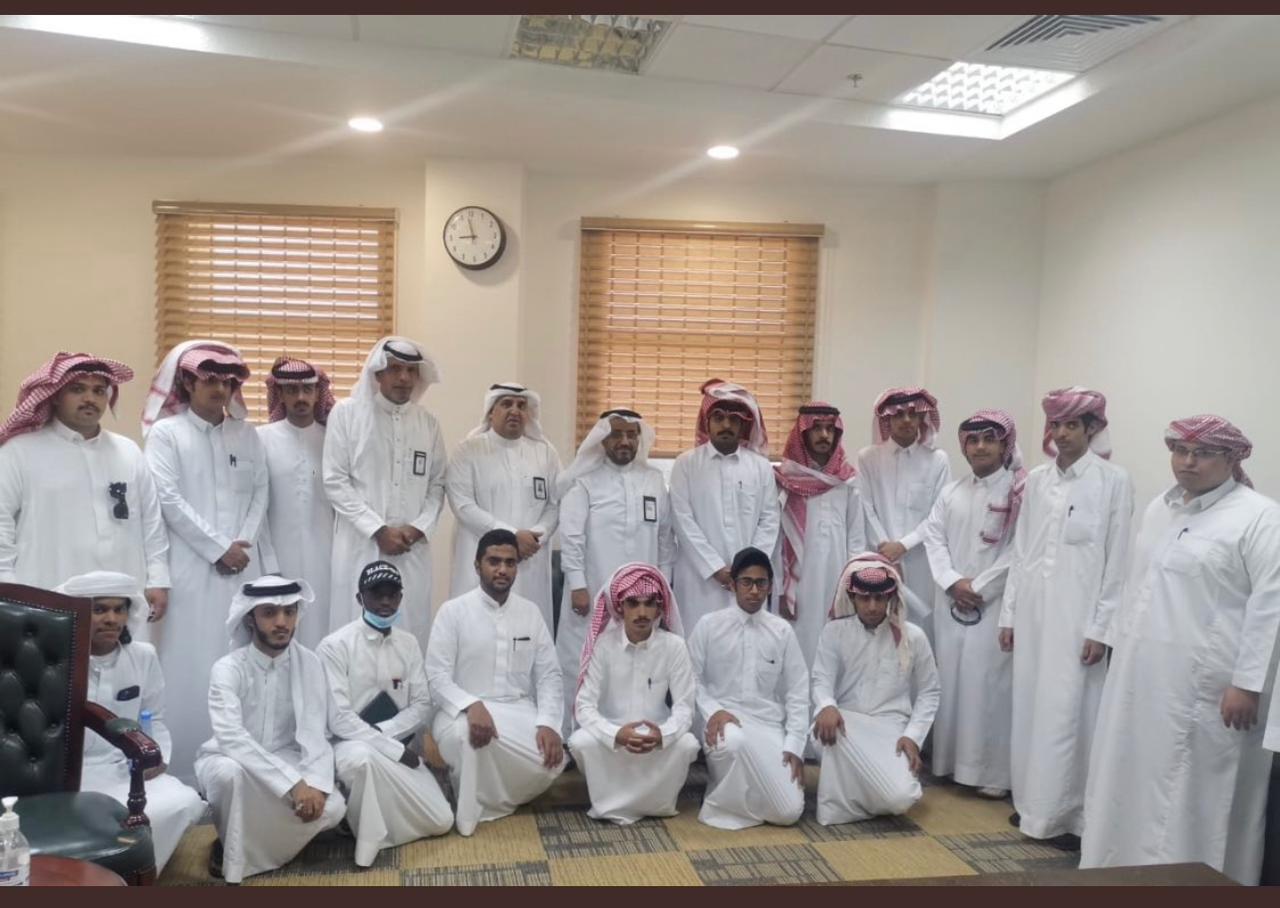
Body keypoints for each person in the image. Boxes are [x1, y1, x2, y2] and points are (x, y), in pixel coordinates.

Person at [1081, 416, 1280, 885]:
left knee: (1196, 799)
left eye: (1203, 453)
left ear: (1231, 459)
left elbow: (1270, 604)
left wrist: (1247, 683)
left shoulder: (1260, 517)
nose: (1188, 462)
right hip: (1143, 680)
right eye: (1180, 451)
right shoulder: (1160, 508)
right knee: (1128, 782)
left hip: (1210, 691)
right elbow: (1136, 587)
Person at [997, 386, 1133, 846]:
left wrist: (1102, 628)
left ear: (1091, 429)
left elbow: (1117, 561)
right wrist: (1009, 615)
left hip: (1079, 620)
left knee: (1069, 712)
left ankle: (1068, 816)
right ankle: (1031, 804)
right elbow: (1022, 551)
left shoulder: (1113, 481)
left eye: (1071, 425)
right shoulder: (1036, 480)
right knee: (1030, 706)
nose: (1061, 434)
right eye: (1055, 425)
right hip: (1034, 613)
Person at [143, 340, 270, 782]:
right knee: (191, 665)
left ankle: (244, 773)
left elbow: (260, 492)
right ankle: (184, 775)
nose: (219, 388)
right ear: (188, 382)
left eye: (227, 381)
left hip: (244, 567)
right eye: (210, 379)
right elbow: (167, 498)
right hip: (191, 570)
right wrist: (218, 548)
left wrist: (242, 543)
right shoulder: (166, 434)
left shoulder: (246, 435)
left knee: (243, 662)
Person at [0, 353, 169, 632]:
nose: (90, 398)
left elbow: (152, 522)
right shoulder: (18, 452)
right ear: (55, 395)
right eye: (78, 389)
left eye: (99, 391)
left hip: (121, 595)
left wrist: (158, 579)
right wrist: (7, 586)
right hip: (46, 591)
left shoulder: (128, 452)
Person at [194, 575, 346, 884]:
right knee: (228, 776)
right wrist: (293, 785)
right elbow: (232, 738)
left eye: (289, 612)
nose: (281, 622)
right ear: (250, 618)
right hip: (230, 759)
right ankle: (238, 849)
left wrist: (316, 785)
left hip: (286, 758)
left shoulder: (310, 663)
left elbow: (316, 733)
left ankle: (242, 842)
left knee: (335, 808)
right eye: (269, 613)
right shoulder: (228, 668)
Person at [58, 571, 205, 874]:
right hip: (69, 772)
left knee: (184, 801)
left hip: (122, 768)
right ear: (81, 613)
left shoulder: (143, 656)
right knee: (89, 818)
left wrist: (157, 758)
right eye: (100, 609)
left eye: (119, 609)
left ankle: (136, 874)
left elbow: (154, 716)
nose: (111, 619)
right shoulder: (56, 659)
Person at [426, 529, 566, 836]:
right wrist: (471, 705)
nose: (502, 569)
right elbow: (436, 676)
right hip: (459, 712)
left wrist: (548, 723)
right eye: (494, 561)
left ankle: (492, 798)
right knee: (467, 739)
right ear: (477, 566)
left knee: (554, 760)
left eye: (510, 563)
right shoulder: (453, 612)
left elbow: (549, 675)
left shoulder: (530, 612)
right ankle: (469, 812)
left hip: (517, 711)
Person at [317, 560, 453, 867]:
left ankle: (359, 818)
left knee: (442, 820)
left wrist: (385, 735)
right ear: (360, 598)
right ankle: (367, 840)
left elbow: (422, 704)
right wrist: (391, 748)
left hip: (398, 746)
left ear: (400, 598)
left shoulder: (409, 643)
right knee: (362, 759)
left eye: (392, 594)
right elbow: (339, 719)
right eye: (376, 594)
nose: (385, 602)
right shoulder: (334, 646)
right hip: (348, 746)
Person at [919, 410, 1024, 799]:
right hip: (952, 602)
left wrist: (979, 587)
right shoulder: (952, 492)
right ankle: (949, 765)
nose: (980, 447)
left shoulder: (1020, 492)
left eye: (989, 440)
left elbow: (1020, 549)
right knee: (951, 680)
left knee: (989, 685)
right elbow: (933, 538)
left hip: (994, 604)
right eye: (973, 440)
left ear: (1004, 445)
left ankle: (991, 774)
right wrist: (952, 582)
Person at [555, 407, 675, 737]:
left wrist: (664, 589)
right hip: (592, 591)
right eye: (616, 435)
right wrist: (577, 585)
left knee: (637, 661)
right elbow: (572, 537)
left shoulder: (653, 480)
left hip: (643, 599)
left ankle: (635, 729)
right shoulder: (584, 481)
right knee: (581, 658)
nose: (624, 441)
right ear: (602, 440)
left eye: (631, 435)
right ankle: (573, 734)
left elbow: (666, 538)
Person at [323, 337, 447, 652]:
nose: (404, 377)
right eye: (394, 369)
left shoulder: (428, 423)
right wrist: (378, 530)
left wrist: (418, 528)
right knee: (353, 633)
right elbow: (335, 480)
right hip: (361, 544)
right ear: (378, 372)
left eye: (410, 370)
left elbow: (437, 485)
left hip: (411, 549)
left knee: (409, 630)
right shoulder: (347, 414)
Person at [811, 553, 940, 825]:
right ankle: (846, 802)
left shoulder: (913, 636)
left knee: (900, 799)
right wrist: (827, 706)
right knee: (826, 734)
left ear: (890, 598)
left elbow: (930, 691)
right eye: (865, 598)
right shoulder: (834, 631)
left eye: (879, 598)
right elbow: (821, 679)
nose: (872, 606)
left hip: (891, 727)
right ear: (852, 597)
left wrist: (913, 736)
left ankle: (858, 788)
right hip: (845, 725)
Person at [570, 563, 699, 825]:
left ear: (659, 609)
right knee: (580, 742)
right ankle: (611, 803)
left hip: (655, 736)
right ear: (620, 607)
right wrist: (615, 734)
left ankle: (658, 804)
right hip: (613, 737)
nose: (642, 613)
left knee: (687, 743)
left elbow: (685, 707)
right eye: (633, 603)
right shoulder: (603, 645)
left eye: (649, 604)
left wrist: (662, 735)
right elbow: (584, 706)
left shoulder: (674, 646)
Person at [688, 547, 808, 830]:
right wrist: (713, 710)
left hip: (768, 726)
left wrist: (795, 745)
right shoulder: (709, 625)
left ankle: (743, 798)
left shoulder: (782, 631)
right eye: (746, 582)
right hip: (722, 723)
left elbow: (798, 692)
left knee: (789, 812)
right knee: (733, 742)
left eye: (761, 583)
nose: (754, 591)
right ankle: (720, 803)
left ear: (770, 586)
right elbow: (689, 679)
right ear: (732, 584)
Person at [446, 383, 561, 635]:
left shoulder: (545, 453)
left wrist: (537, 536)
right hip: (481, 555)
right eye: (506, 404)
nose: (515, 411)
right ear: (491, 412)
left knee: (528, 632)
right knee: (477, 633)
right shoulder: (468, 450)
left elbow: (555, 504)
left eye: (521, 406)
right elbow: (463, 505)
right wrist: (512, 537)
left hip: (531, 558)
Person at [670, 379, 779, 635]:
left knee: (747, 644)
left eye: (734, 419)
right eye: (718, 418)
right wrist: (715, 568)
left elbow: (770, 519)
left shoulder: (760, 467)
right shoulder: (686, 464)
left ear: (743, 424)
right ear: (707, 422)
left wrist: (749, 568)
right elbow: (682, 521)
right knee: (698, 641)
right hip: (699, 580)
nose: (726, 425)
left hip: (748, 583)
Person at [773, 402, 866, 666]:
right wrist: (779, 587)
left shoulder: (847, 481)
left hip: (837, 579)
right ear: (803, 433)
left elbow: (856, 539)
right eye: (817, 429)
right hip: (797, 581)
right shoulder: (785, 480)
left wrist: (853, 585)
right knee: (795, 645)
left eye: (829, 429)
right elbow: (776, 539)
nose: (824, 435)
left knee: (833, 646)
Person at [856, 387, 951, 645]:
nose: (906, 420)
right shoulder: (868, 458)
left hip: (921, 561)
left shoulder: (938, 460)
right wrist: (886, 550)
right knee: (878, 627)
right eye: (899, 415)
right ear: (887, 419)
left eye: (912, 414)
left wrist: (903, 546)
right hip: (878, 556)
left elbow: (938, 514)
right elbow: (865, 507)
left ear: (922, 417)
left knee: (920, 630)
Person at [257, 356, 337, 649]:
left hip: (327, 555)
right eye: (292, 390)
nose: (301, 397)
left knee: (323, 628)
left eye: (308, 389)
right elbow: (256, 507)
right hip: (276, 557)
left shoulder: (334, 440)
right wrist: (268, 561)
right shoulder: (261, 439)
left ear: (318, 393)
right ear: (280, 394)